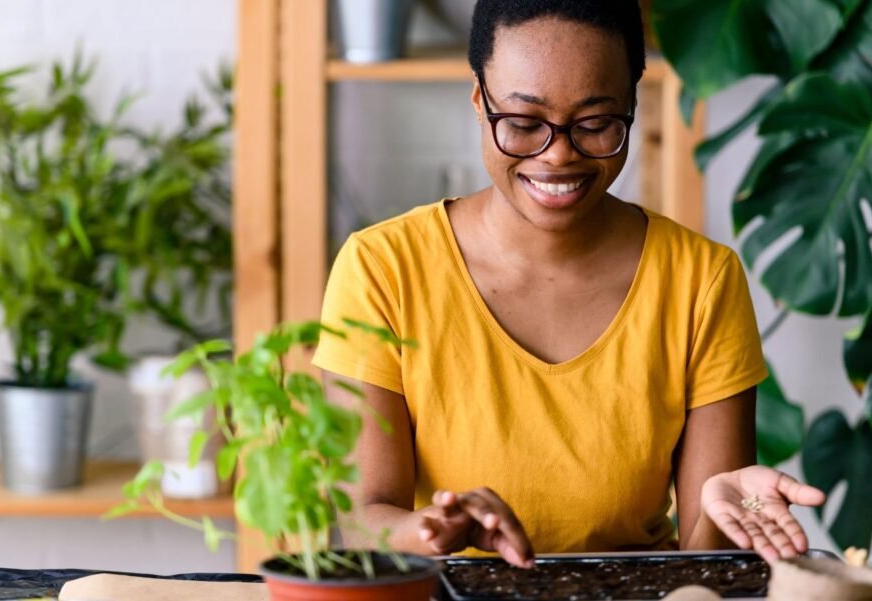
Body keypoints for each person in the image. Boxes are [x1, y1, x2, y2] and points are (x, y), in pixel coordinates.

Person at [314, 0, 826, 569]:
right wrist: (431, 528)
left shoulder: (699, 280)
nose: (557, 154)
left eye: (595, 123)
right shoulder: (384, 269)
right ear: (480, 101)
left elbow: (700, 570)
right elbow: (364, 516)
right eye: (524, 123)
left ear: (632, 104)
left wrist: (732, 509)